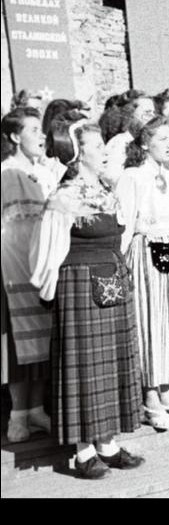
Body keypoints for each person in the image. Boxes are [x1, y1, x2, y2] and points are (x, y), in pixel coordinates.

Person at [30, 118, 144, 479]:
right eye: (97, 146)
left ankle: (107, 444)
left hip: (112, 281)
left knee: (110, 365)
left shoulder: (104, 190)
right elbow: (45, 251)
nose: (104, 151)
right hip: (80, 286)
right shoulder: (65, 196)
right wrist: (52, 292)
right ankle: (83, 451)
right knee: (84, 368)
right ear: (78, 154)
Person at [115, 117, 169, 430]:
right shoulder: (133, 177)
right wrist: (120, 264)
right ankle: (149, 396)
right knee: (150, 321)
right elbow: (125, 224)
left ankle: (166, 392)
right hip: (144, 252)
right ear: (144, 143)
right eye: (162, 139)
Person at [1, 108, 56, 443]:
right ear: (13, 136)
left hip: (42, 269)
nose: (41, 135)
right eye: (33, 129)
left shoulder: (46, 173)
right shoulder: (5, 173)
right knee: (17, 345)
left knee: (43, 342)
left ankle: (36, 409)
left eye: (41, 129)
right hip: (11, 270)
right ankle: (17, 415)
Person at [104, 91, 156, 185]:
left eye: (153, 113)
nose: (152, 117)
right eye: (147, 113)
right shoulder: (119, 143)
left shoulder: (148, 142)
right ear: (129, 115)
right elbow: (111, 178)